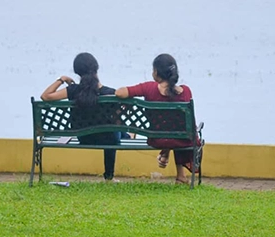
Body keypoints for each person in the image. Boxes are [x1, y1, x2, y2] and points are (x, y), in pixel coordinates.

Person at [115, 53, 198, 184]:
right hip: (182, 140)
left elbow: (119, 92)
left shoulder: (149, 88)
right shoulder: (186, 91)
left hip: (156, 139)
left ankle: (166, 154)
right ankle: (180, 175)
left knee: (169, 132)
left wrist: (128, 100)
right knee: (178, 132)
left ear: (156, 73)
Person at [40, 52, 122, 181]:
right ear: (96, 68)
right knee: (115, 131)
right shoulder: (110, 93)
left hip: (84, 138)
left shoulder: (73, 90)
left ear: (77, 72)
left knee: (113, 131)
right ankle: (109, 177)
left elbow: (45, 96)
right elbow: (118, 121)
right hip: (108, 140)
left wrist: (61, 79)